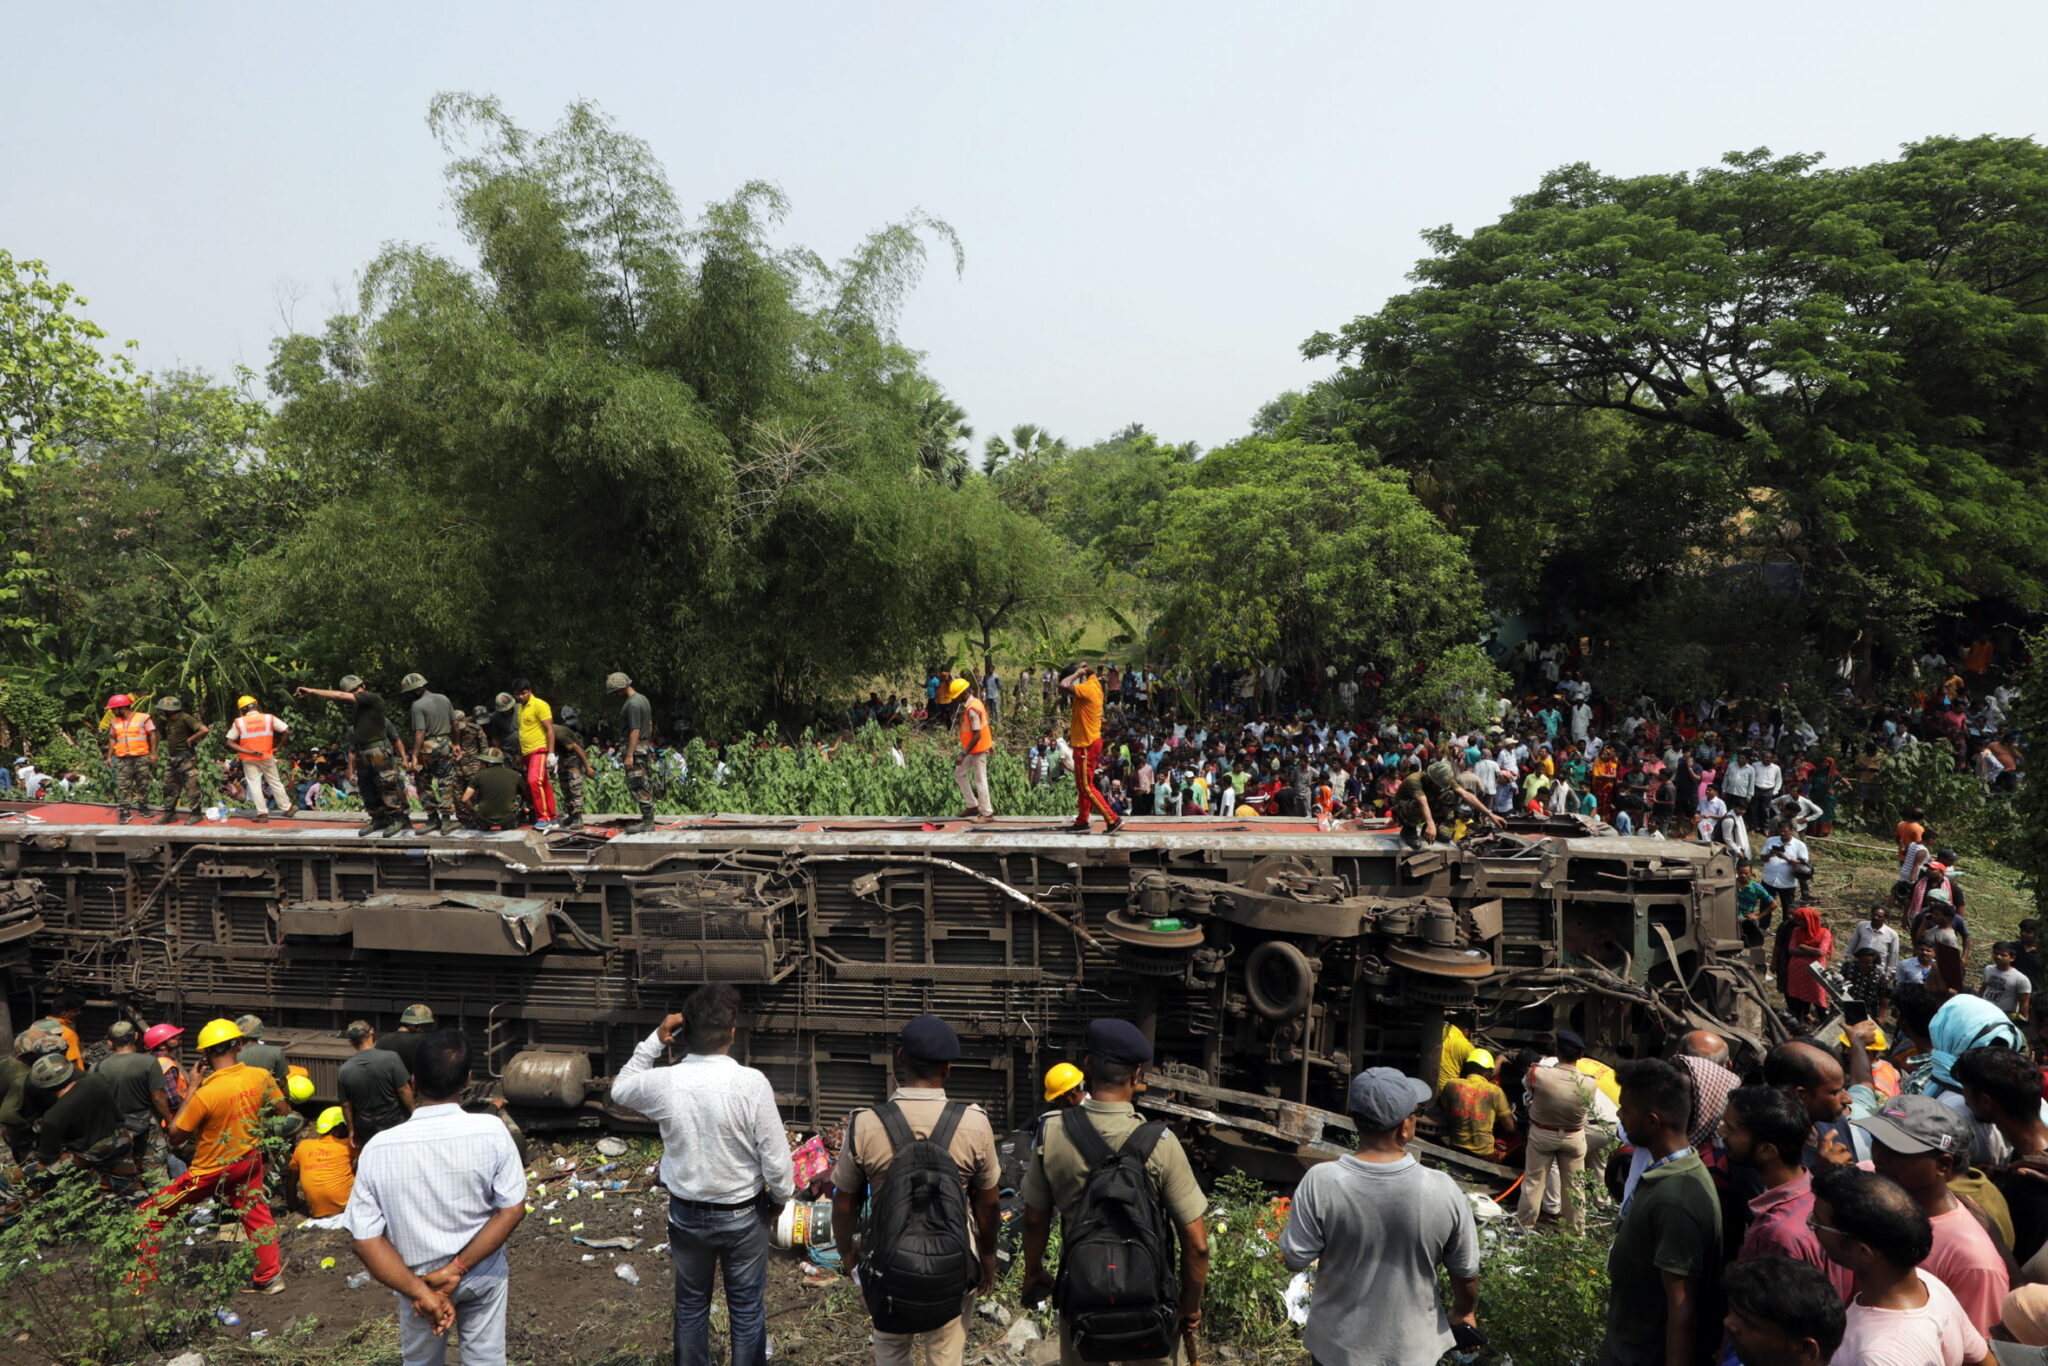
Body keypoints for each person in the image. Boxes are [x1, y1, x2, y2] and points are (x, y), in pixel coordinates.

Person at [610, 984, 793, 1366]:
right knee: (746, 1309)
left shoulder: (667, 1083)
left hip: (687, 1214)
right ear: (732, 1032)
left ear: (684, 1034)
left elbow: (620, 1089)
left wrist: (655, 1039)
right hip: (744, 1214)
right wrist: (777, 1200)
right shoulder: (752, 1084)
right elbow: (776, 1162)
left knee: (691, 1306)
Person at [1019, 1019, 1209, 1366]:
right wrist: (1189, 1306)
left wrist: (1034, 1273)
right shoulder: (1162, 1143)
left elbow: (1034, 1221)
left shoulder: (1052, 1134)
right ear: (1136, 1076)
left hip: (1082, 1296)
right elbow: (1197, 1246)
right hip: (1151, 1302)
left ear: (1087, 1067)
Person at [347, 1030, 527, 1366]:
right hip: (481, 1273)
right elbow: (513, 1209)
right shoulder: (490, 1132)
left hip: (417, 1279)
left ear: (413, 1080)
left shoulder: (378, 1149)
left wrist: (421, 1291)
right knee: (486, 1360)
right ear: (467, 1079)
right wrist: (457, 1268)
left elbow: (365, 1240)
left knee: (421, 1361)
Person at [1279, 1067, 1480, 1366]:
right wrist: (1464, 1312)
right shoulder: (1442, 1189)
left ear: (1356, 1121)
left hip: (1337, 1349)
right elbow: (1465, 1274)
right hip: (1413, 1351)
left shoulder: (1321, 1181)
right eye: (1416, 1112)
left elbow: (1294, 1258)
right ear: (1404, 1128)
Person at [830, 1015, 1001, 1366]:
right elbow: (988, 1205)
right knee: (944, 1354)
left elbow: (844, 1202)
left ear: (901, 1058)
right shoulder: (974, 1123)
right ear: (949, 1068)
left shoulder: (866, 1123)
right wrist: (986, 1257)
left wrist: (849, 1254)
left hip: (886, 1261)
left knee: (891, 1351)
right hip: (954, 1262)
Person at [137, 1017, 289, 1293]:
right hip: (249, 1160)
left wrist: (192, 1087)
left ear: (205, 1055)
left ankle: (139, 1287)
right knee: (257, 1217)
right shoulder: (261, 1077)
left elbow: (175, 1135)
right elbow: (282, 1111)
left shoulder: (206, 1093)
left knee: (148, 1215)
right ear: (239, 1045)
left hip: (210, 1171)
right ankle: (269, 1277)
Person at [1601, 1057, 1723, 1366]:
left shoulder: (1676, 1198)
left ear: (1653, 1122)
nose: (1619, 1115)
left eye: (1625, 1108)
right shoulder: (1668, 1173)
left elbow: (1682, 1308)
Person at [1855, 1094, 2009, 1335]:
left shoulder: (1972, 1261)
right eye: (1877, 1140)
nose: (1879, 1156)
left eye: (1896, 1149)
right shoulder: (1866, 1179)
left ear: (1943, 1165)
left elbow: (1979, 1354)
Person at [1811, 1164, 1989, 1366]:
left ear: (1863, 1252)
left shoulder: (1879, 1356)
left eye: (1818, 1223)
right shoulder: (1926, 1283)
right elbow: (1984, 1360)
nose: (1812, 1227)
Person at [1720, 1084, 1854, 1297]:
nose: (1721, 1132)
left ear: (1767, 1150)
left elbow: (1777, 1320)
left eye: (1731, 1128)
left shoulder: (1777, 1235)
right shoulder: (1821, 1200)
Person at [1954, 1045, 2048, 1268]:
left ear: (1986, 1101)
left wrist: (1992, 1234)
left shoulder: (2034, 1185)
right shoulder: (2026, 1160)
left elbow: (2029, 1284)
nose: (1963, 1099)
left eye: (1965, 1089)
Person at [296, 676, 413, 837]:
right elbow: (351, 748)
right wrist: (352, 769)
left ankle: (398, 818)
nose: (355, 693)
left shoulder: (373, 698)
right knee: (366, 786)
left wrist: (312, 691)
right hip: (363, 752)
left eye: (357, 689)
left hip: (378, 750)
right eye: (352, 691)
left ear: (364, 687)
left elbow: (340, 696)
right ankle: (378, 817)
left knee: (388, 784)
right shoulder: (359, 711)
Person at [1719, 1256, 1847, 1366]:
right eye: (1734, 1311)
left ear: (1806, 1349)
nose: (1728, 1322)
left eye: (1747, 1323)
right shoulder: (1739, 1355)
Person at [93, 1020, 174, 1186]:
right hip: (147, 1124)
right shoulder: (149, 1062)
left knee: (118, 1172)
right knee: (156, 1172)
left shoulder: (97, 1067)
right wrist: (169, 1120)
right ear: (136, 1037)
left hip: (115, 1128)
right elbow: (158, 1096)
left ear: (109, 1042)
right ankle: (161, 1206)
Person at [1059, 664, 1120, 834]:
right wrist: (1084, 669)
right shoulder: (1094, 682)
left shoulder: (1085, 689)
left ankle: (1113, 819)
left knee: (1087, 787)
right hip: (1088, 742)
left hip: (1087, 744)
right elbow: (1091, 672)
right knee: (1082, 785)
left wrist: (1077, 673)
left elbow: (1063, 685)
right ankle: (1082, 821)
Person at [400, 673, 459, 836]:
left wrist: (415, 754)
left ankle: (433, 819)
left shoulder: (417, 705)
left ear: (415, 690)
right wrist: (456, 744)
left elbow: (420, 731)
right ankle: (447, 820)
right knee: (446, 781)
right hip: (445, 744)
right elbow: (455, 725)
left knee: (423, 781)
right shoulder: (444, 699)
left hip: (428, 746)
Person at [339, 1020, 415, 1144]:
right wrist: (413, 1112)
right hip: (393, 1120)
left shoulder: (344, 1070)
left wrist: (351, 1130)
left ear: (351, 1042)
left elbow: (346, 1105)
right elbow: (403, 1089)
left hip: (365, 1125)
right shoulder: (391, 1058)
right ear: (372, 1032)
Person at [226, 694, 293, 822]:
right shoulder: (268, 718)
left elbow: (229, 741)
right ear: (256, 704)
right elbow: (286, 731)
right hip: (266, 756)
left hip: (248, 758)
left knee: (254, 785)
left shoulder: (239, 722)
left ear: (242, 710)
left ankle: (262, 814)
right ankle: (287, 808)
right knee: (275, 782)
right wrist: (278, 747)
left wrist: (248, 751)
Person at [1440, 1048, 1514, 1160]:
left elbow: (1447, 1113)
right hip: (1484, 1154)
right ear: (1489, 1073)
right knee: (1517, 1137)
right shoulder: (1495, 1091)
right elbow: (1510, 1128)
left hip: (1456, 1146)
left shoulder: (1451, 1084)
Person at [608, 672, 658, 833]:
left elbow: (635, 730)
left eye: (616, 692)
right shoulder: (643, 699)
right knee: (644, 782)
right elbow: (649, 724)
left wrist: (630, 755)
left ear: (621, 688)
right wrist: (646, 743)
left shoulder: (632, 704)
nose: (616, 695)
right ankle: (647, 819)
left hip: (634, 749)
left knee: (638, 784)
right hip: (642, 746)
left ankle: (648, 822)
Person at [286, 1106, 356, 1217]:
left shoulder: (303, 1146)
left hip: (317, 1213)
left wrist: (293, 1207)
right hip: (345, 1208)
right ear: (337, 1130)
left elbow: (291, 1180)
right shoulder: (348, 1145)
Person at [151, 695, 210, 825]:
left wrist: (190, 739)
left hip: (185, 757)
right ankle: (169, 813)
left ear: (169, 710)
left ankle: (196, 813)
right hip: (173, 758)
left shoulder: (185, 718)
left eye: (163, 710)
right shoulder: (170, 721)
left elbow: (204, 729)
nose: (161, 712)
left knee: (191, 785)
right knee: (169, 786)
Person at [103, 693, 158, 823]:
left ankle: (143, 806)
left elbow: (153, 734)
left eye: (113, 709)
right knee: (124, 786)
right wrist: (109, 756)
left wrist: (153, 753)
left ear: (122, 708)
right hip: (122, 758)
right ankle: (124, 811)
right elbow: (112, 738)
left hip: (141, 756)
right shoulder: (114, 721)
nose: (111, 711)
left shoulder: (143, 718)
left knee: (143, 783)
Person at [509, 678, 557, 828]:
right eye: (518, 694)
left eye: (524, 693)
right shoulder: (520, 708)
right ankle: (552, 817)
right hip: (527, 752)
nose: (521, 696)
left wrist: (551, 753)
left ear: (530, 691)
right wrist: (519, 754)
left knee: (534, 781)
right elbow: (523, 731)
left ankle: (543, 818)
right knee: (543, 783)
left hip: (539, 749)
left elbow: (550, 730)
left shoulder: (539, 705)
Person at [1781, 906, 1834, 1024]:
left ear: (1810, 920)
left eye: (1801, 920)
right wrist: (1811, 951)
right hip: (1797, 971)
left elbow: (1821, 952)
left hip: (1815, 972)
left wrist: (1803, 947)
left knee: (1819, 997)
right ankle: (1799, 1024)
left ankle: (1824, 1023)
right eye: (1798, 920)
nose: (1798, 923)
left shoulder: (1824, 933)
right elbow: (1791, 950)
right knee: (1798, 998)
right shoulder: (1796, 931)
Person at [952, 679, 995, 824]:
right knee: (959, 773)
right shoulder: (975, 702)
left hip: (977, 749)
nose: (956, 699)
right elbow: (985, 727)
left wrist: (963, 753)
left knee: (980, 780)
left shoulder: (972, 709)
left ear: (963, 693)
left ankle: (987, 813)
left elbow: (977, 734)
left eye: (957, 696)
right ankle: (972, 806)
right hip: (973, 748)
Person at [550, 705, 593, 831]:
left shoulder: (557, 733)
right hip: (563, 757)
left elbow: (578, 749)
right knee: (565, 787)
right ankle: (571, 815)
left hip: (574, 757)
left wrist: (587, 768)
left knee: (574, 786)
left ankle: (577, 818)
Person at [1762, 820, 1814, 920]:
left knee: (1788, 908)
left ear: (1792, 831)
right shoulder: (1771, 840)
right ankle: (1763, 926)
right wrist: (1771, 854)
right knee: (1766, 905)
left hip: (1787, 883)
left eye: (1785, 831)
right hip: (1768, 880)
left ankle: (1786, 928)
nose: (1782, 833)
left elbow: (1804, 864)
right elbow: (1762, 858)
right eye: (1780, 831)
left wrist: (1786, 858)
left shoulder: (1799, 845)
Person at [461, 749, 522, 830]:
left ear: (487, 762)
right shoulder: (514, 775)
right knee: (518, 796)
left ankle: (483, 823)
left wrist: (474, 813)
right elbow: (526, 793)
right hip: (508, 818)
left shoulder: (479, 775)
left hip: (483, 818)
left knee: (476, 794)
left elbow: (465, 799)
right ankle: (510, 822)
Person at [378, 1004, 437, 1079]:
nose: (426, 1030)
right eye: (425, 1026)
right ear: (415, 1026)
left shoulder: (382, 1040)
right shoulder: (423, 1040)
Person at [1848, 905, 1903, 977]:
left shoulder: (1892, 935)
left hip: (1877, 971)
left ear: (1885, 919)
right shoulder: (1861, 926)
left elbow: (1893, 956)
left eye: (1879, 916)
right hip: (1858, 966)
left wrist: (1888, 974)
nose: (1875, 917)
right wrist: (1848, 960)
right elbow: (1852, 944)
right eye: (1874, 915)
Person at [1982, 943, 2032, 1020]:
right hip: (1984, 1010)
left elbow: (2024, 1004)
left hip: (2003, 1016)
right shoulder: (1988, 969)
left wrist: (2022, 1023)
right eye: (1995, 953)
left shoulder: (2020, 979)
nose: (1998, 957)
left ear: (2012, 958)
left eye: (2003, 955)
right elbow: (1983, 988)